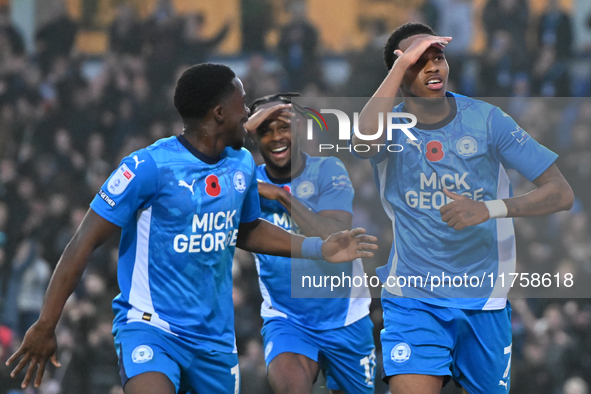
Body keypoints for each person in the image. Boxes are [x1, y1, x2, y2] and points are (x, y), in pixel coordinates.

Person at [6, 63, 377, 394]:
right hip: (152, 326)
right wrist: (46, 323)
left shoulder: (242, 164)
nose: (246, 113)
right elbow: (82, 242)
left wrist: (318, 248)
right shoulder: (149, 167)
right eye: (242, 103)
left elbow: (246, 230)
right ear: (219, 113)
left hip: (214, 341)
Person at [352, 23, 574, 394]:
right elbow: (360, 144)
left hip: (483, 300)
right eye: (418, 61)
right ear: (399, 71)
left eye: (438, 57)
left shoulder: (488, 120)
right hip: (413, 301)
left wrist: (490, 209)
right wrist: (397, 66)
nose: (433, 66)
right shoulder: (388, 128)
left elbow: (561, 193)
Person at [244, 93, 376, 393]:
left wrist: (282, 196)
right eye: (265, 130)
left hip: (345, 318)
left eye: (284, 127)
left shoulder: (328, 170)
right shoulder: (245, 181)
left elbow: (334, 235)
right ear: (254, 138)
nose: (276, 137)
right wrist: (244, 129)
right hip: (288, 319)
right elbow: (205, 165)